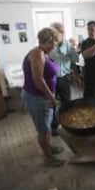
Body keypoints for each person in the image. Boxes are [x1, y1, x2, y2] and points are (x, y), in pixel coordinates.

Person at [21, 27, 64, 167]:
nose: (55, 46)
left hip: (42, 97)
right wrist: (51, 97)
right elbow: (38, 80)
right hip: (36, 98)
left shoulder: (42, 53)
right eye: (55, 43)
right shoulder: (37, 54)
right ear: (50, 40)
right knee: (43, 130)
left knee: (46, 128)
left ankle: (49, 148)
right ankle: (48, 158)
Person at [49, 22, 78, 133]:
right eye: (59, 31)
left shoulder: (68, 45)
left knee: (67, 102)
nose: (62, 33)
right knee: (52, 103)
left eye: (63, 31)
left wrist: (74, 75)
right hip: (51, 79)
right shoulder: (49, 45)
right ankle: (54, 126)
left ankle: (68, 124)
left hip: (64, 78)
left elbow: (74, 61)